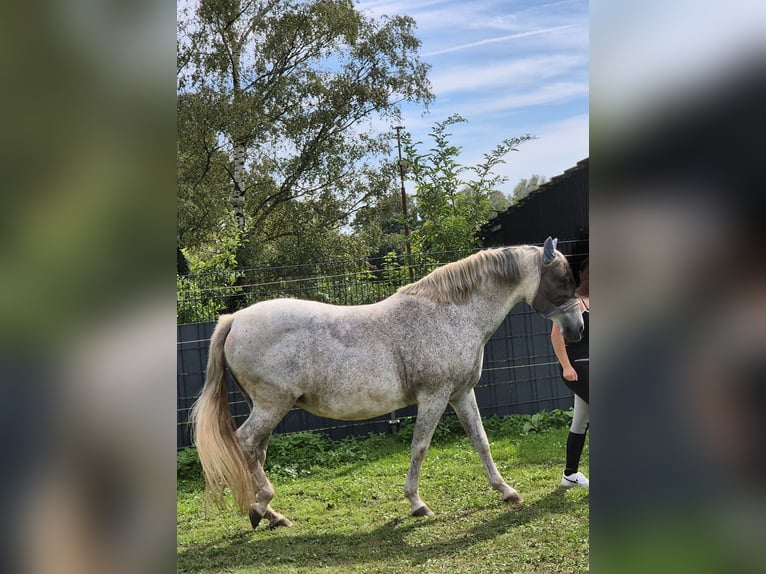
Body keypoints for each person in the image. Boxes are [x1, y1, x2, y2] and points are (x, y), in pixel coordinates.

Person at [551, 256, 589, 489]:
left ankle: (570, 475)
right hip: (577, 366)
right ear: (581, 275)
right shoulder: (570, 302)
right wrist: (566, 366)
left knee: (581, 421)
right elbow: (556, 336)